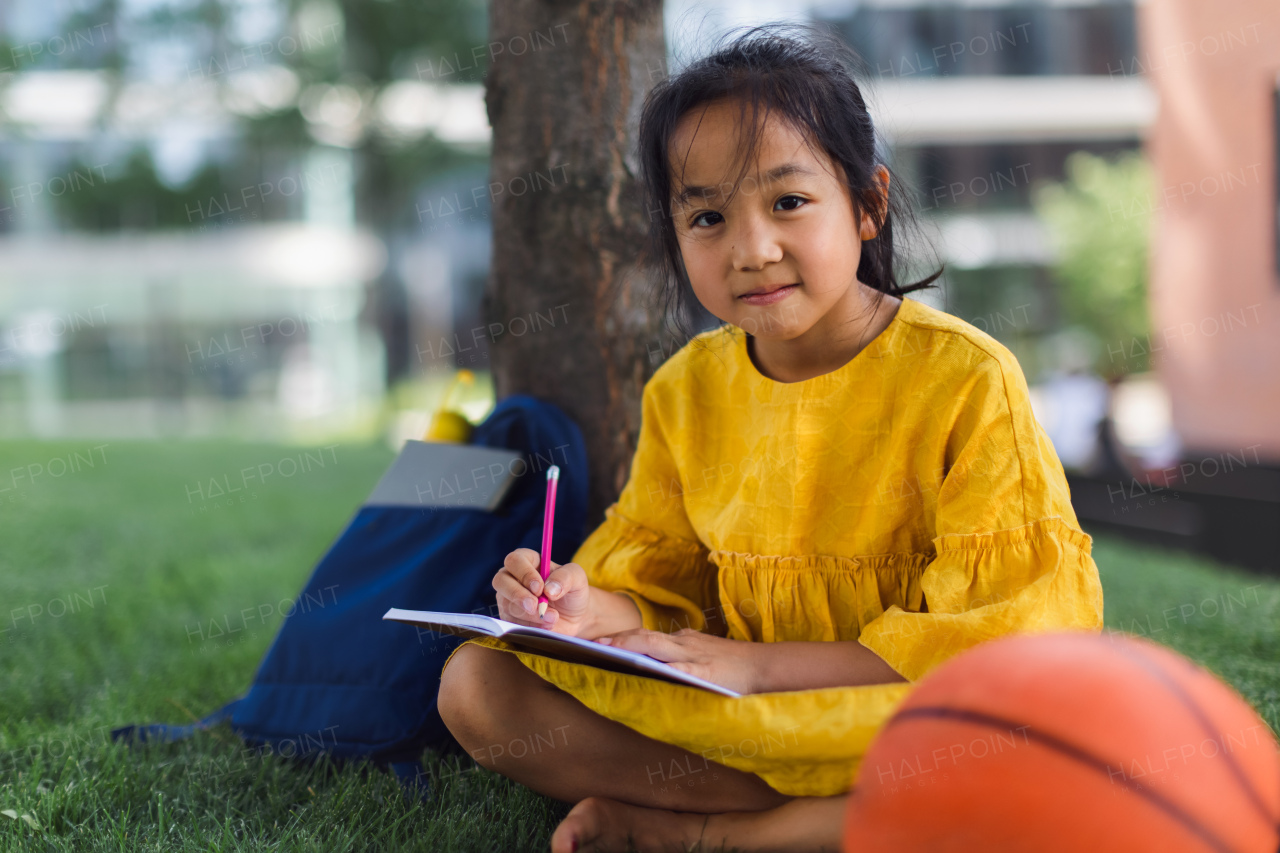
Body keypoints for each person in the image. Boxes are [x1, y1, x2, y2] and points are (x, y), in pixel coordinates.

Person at [438, 22, 1104, 853]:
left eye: (789, 202)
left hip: (895, 710)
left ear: (869, 204)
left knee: (1023, 732)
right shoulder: (687, 389)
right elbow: (657, 592)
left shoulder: (966, 377)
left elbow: (1003, 640)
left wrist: (760, 669)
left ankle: (722, 833)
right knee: (478, 683)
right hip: (741, 719)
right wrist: (578, 607)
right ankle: (817, 820)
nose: (752, 249)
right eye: (707, 216)